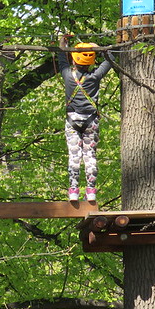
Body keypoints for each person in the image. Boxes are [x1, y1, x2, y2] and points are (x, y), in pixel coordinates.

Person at [58, 35, 112, 202]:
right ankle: (91, 191)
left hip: (72, 119)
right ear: (91, 61)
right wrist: (98, 48)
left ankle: (73, 190)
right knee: (90, 155)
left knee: (74, 156)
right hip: (91, 121)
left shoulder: (67, 75)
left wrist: (63, 42)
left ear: (74, 60)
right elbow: (110, 59)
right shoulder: (95, 77)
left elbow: (61, 57)